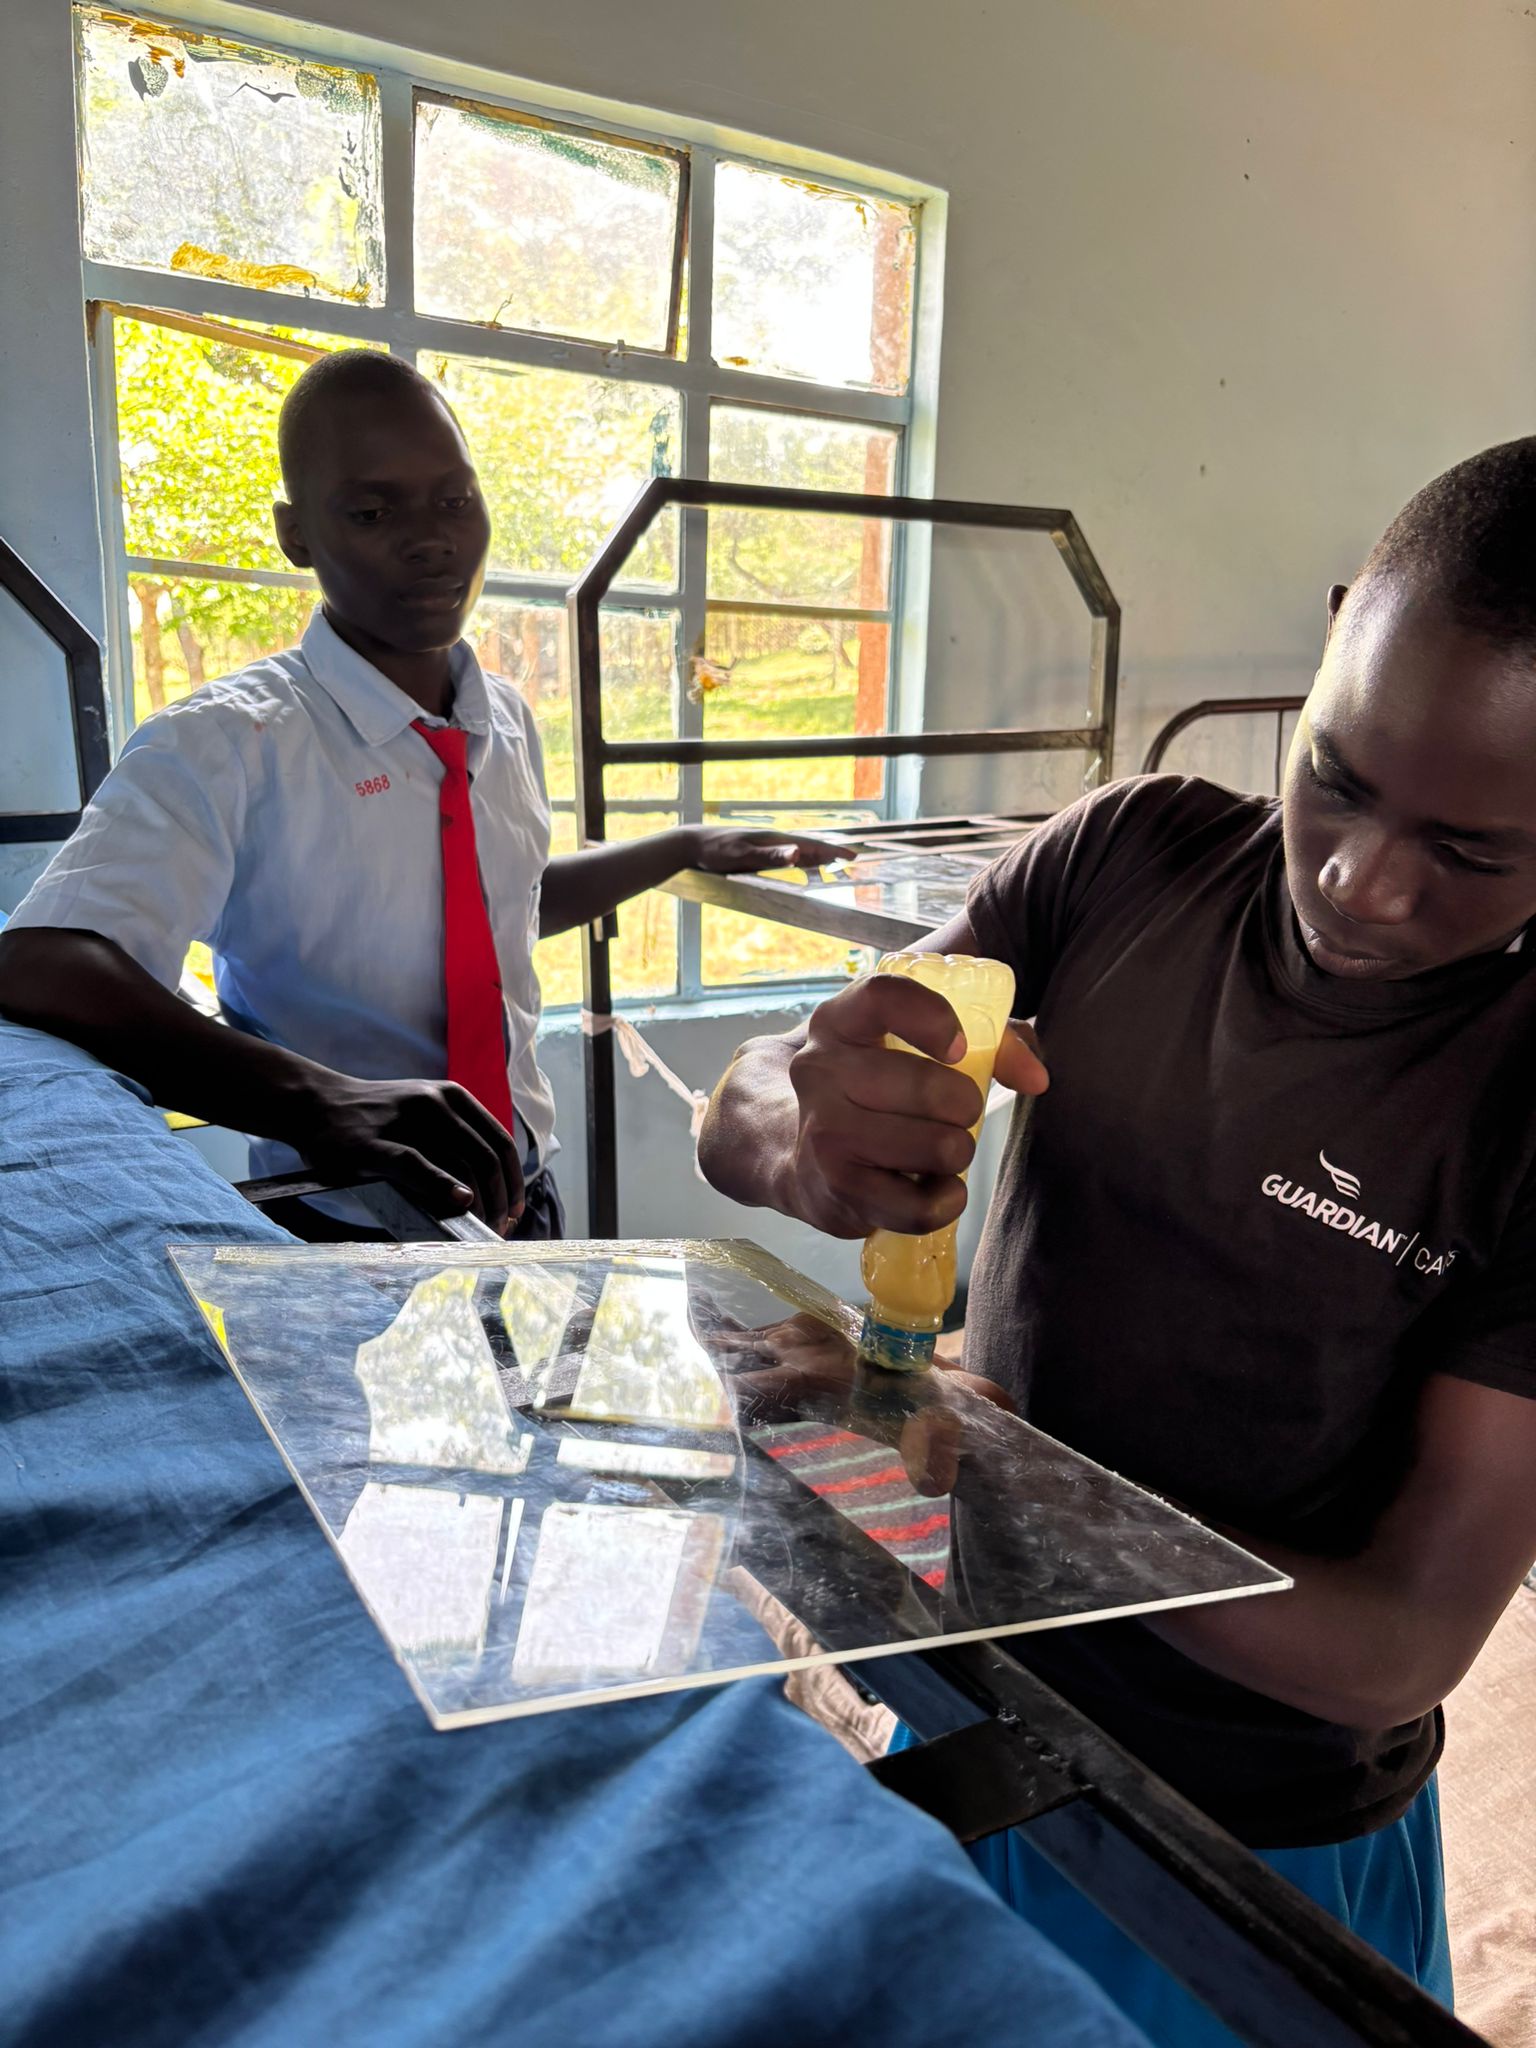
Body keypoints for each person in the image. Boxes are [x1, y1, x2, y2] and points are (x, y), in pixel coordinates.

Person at [698, 437, 1536, 2041]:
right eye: (1336, 777)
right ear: (1340, 629)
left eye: (1471, 854)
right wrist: (799, 1129)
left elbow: (1402, 1645)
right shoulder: (1127, 858)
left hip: (1252, 1836)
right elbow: (755, 1093)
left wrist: (1005, 1472)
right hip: (975, 1691)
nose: (1360, 881)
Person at [0, 350, 840, 1238]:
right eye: (371, 510)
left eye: (455, 499)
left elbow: (503, 905)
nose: (430, 537)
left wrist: (683, 845)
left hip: (521, 1189)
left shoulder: (502, 718)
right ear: (295, 534)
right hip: (343, 1221)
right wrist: (321, 1100)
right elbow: (41, 962)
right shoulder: (229, 742)